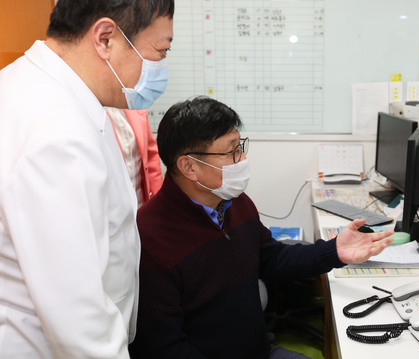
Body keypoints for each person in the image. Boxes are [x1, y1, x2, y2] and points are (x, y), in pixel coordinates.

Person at [129, 96, 394, 358]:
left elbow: (271, 257)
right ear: (189, 166)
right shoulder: (153, 237)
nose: (242, 158)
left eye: (240, 146)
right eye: (231, 151)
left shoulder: (234, 201)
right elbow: (163, 347)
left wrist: (334, 251)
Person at [0, 1, 174, 358]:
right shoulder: (56, 135)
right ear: (105, 38)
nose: (160, 67)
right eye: (159, 51)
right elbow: (77, 322)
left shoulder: (51, 90)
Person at [105, 107, 163, 207]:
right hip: (113, 209)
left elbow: (151, 157)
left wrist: (158, 203)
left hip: (142, 205)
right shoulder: (91, 111)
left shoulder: (135, 108)